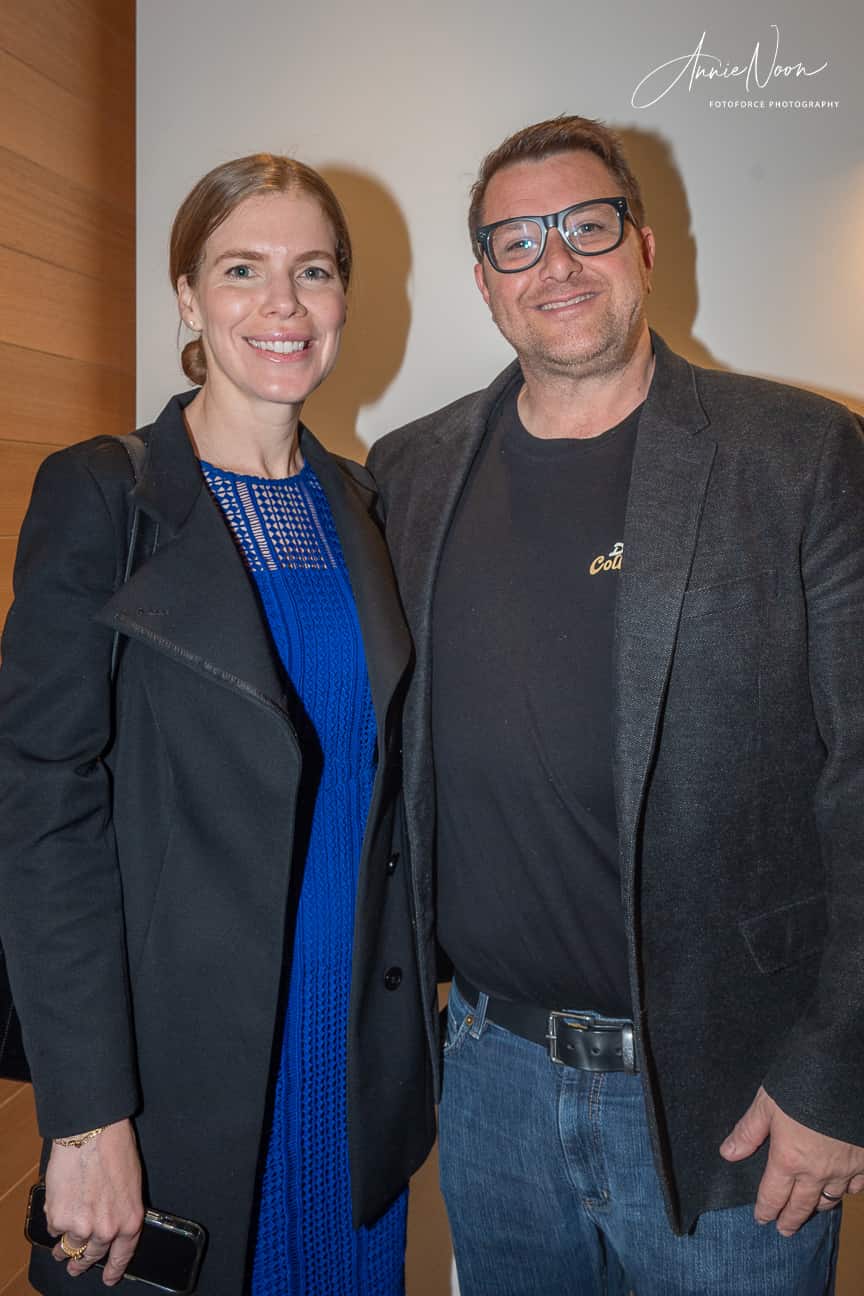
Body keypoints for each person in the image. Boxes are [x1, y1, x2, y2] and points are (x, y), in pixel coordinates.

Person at [367, 116, 864, 1295]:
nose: (556, 262)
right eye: (517, 240)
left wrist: (837, 1077)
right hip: (491, 1080)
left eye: (586, 225)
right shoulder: (410, 473)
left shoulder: (799, 455)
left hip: (734, 1098)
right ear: (485, 280)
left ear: (642, 244)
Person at [0, 153, 433, 1296]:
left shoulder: (366, 505)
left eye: (313, 271)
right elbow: (40, 810)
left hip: (348, 1075)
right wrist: (86, 1114)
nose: (282, 304)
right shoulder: (107, 494)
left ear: (344, 298)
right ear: (188, 298)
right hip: (176, 1075)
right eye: (242, 270)